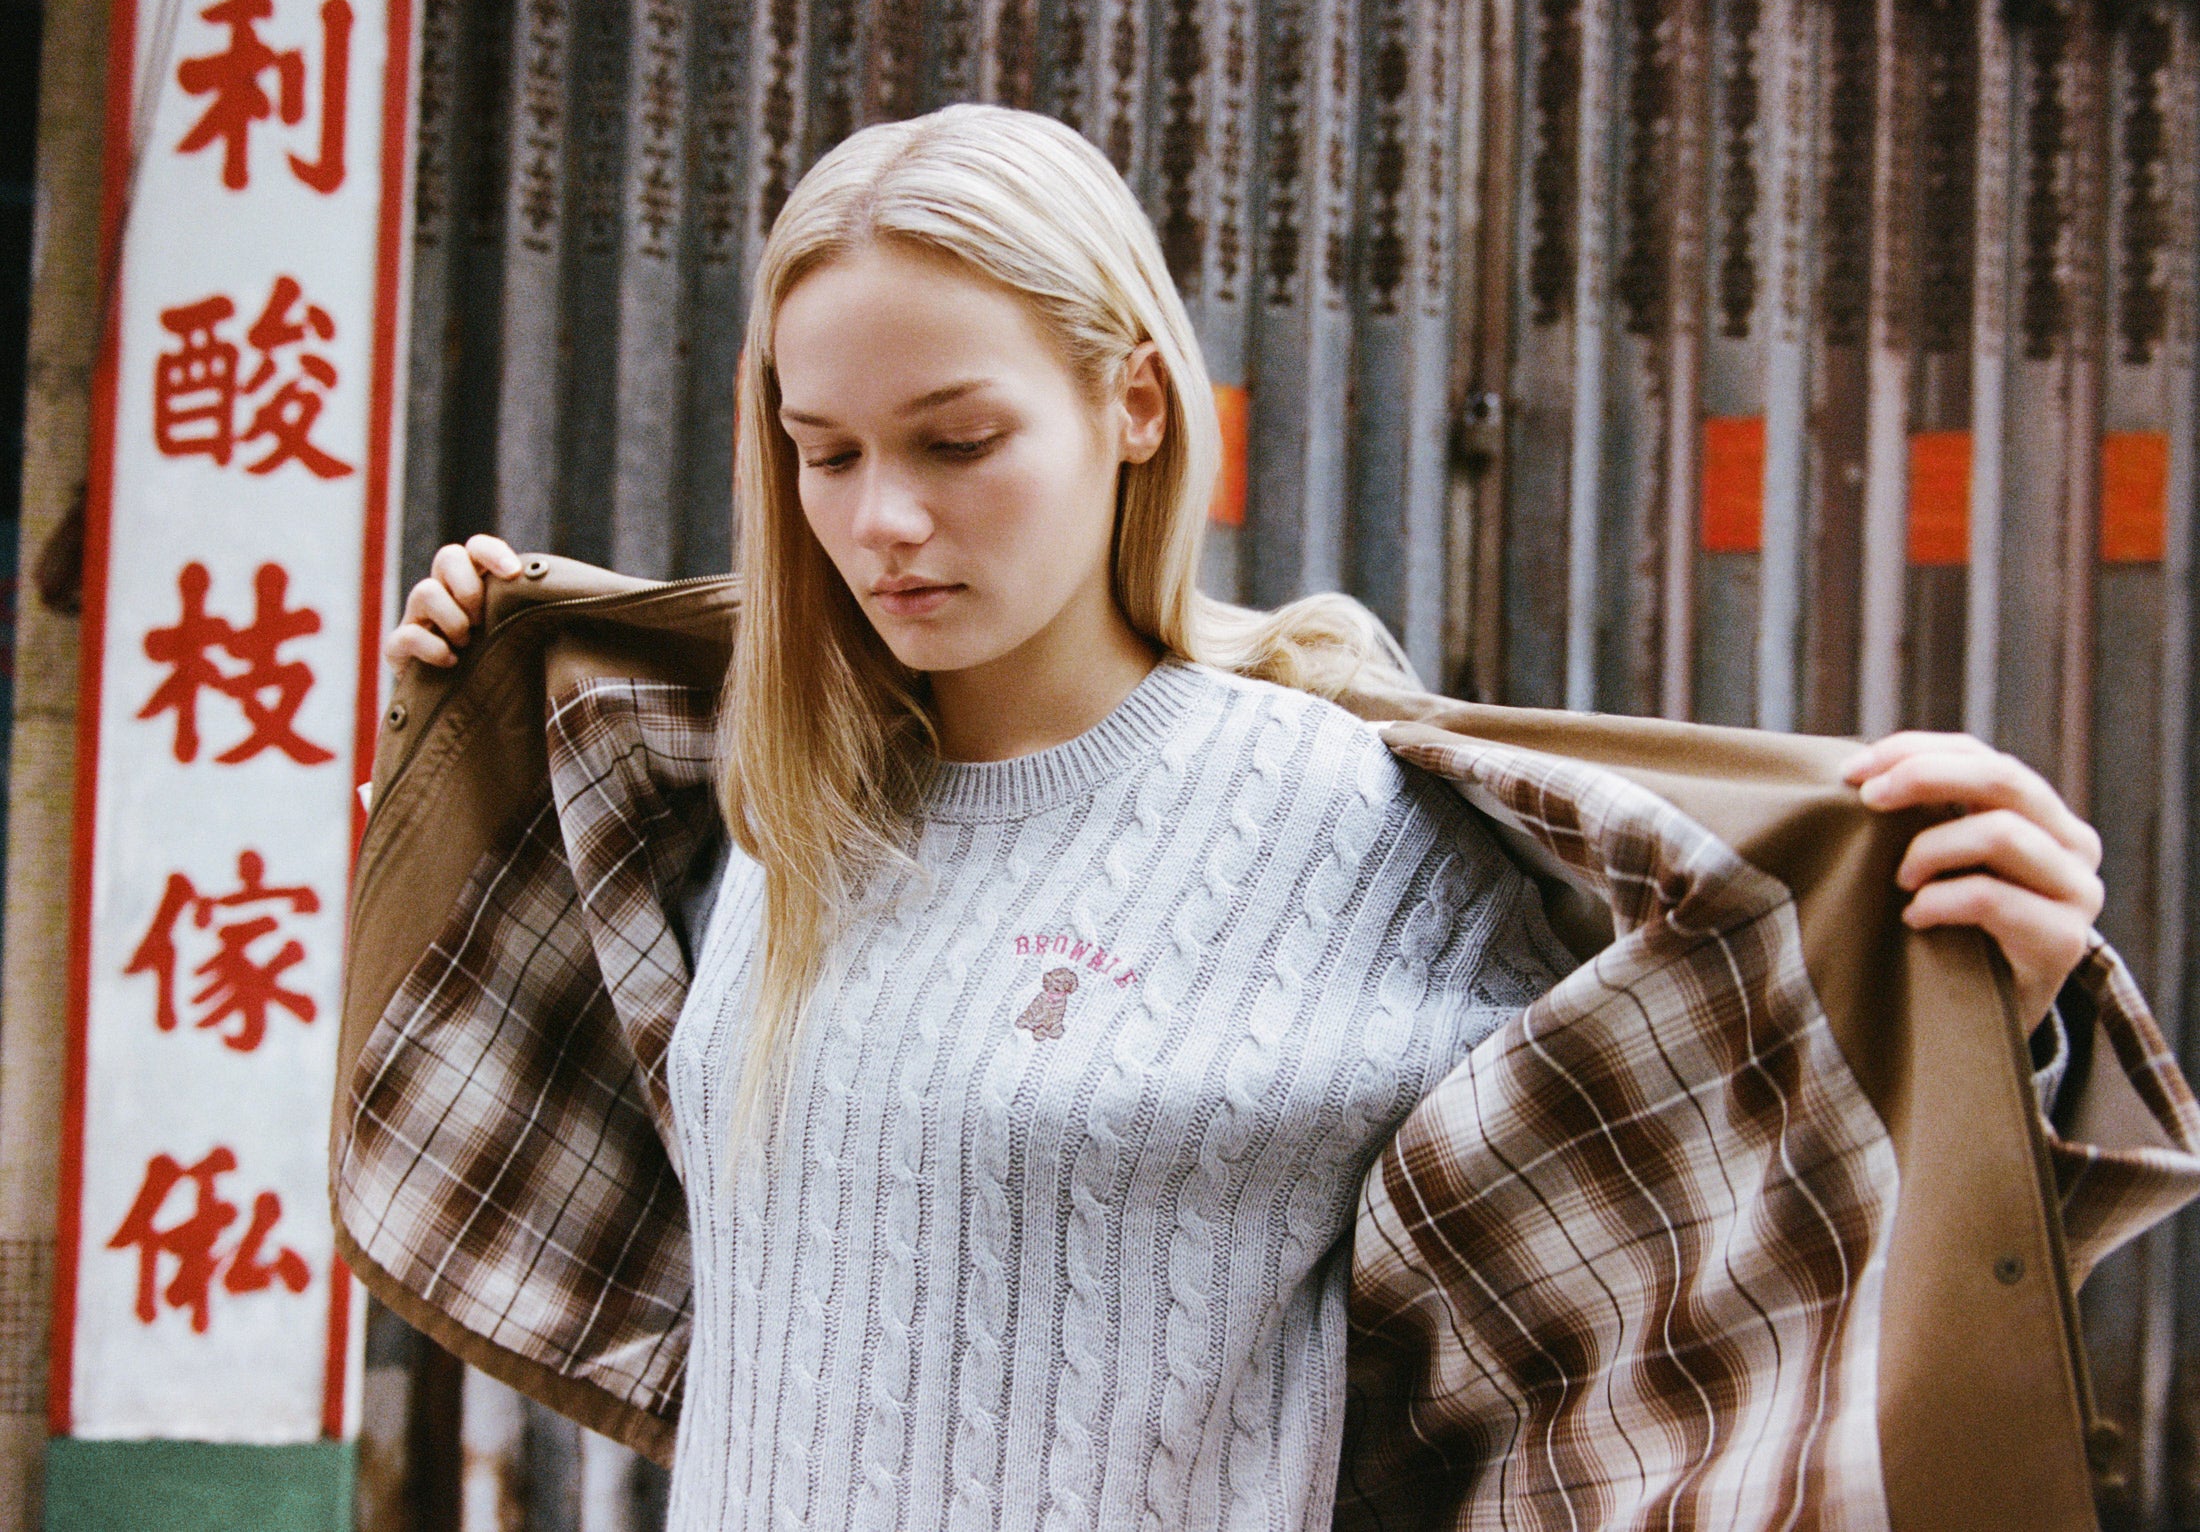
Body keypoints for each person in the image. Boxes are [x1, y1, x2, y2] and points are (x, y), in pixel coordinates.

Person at [380, 104, 2108, 1529]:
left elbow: (1700, 1214)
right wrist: (461, 728)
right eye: (825, 454)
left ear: (1136, 404)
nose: (883, 518)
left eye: (957, 441)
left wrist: (1974, 1017)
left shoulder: (1340, 819)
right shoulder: (772, 797)